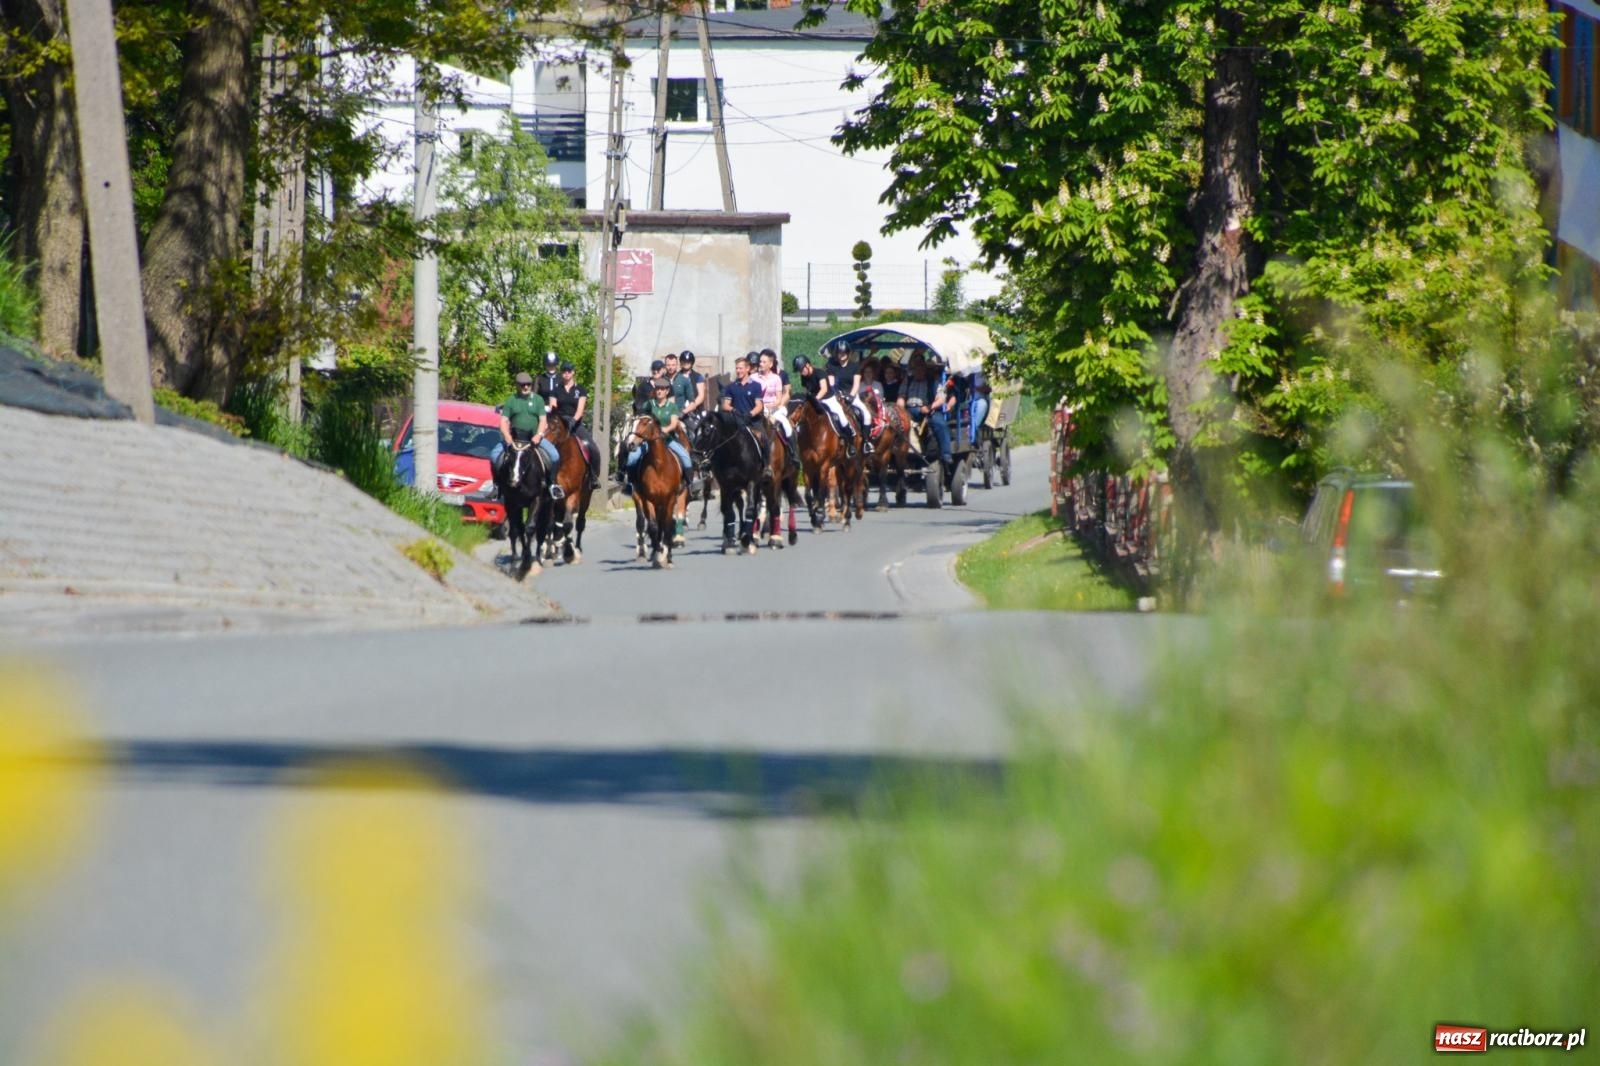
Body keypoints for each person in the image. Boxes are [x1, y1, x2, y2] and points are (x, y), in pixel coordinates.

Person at [623, 380, 693, 533]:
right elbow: (641, 417)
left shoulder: (671, 406)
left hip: (667, 440)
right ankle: (632, 485)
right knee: (632, 458)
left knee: (685, 457)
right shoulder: (650, 405)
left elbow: (674, 423)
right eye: (658, 389)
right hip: (649, 441)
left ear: (667, 391)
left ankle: (688, 484)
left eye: (663, 389)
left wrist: (664, 430)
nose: (660, 391)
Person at [499, 371, 563, 498]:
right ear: (517, 385)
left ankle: (552, 484)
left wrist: (538, 435)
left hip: (533, 438)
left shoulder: (538, 400)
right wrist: (507, 436)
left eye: (528, 384)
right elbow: (503, 421)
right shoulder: (511, 400)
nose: (525, 387)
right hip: (515, 438)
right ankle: (497, 486)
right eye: (522, 385)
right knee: (495, 456)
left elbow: (543, 420)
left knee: (555, 456)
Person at [548, 360, 599, 489]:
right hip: (559, 423)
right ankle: (545, 478)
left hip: (574, 423)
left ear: (573, 372)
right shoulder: (555, 390)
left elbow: (580, 410)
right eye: (564, 371)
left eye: (569, 371)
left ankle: (593, 476)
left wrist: (573, 421)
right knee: (546, 444)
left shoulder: (580, 389)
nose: (566, 373)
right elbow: (553, 407)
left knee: (592, 447)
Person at [821, 340, 873, 454]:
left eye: (844, 352)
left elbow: (856, 384)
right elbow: (831, 382)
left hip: (852, 395)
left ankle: (866, 442)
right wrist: (836, 393)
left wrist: (851, 396)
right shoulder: (831, 366)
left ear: (848, 353)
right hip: (837, 395)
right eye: (839, 352)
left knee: (867, 414)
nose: (841, 355)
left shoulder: (855, 366)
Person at [904, 355, 953, 469]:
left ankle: (946, 454)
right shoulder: (908, 380)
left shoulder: (933, 382)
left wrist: (930, 407)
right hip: (909, 410)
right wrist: (899, 407)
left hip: (927, 410)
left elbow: (941, 399)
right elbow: (901, 397)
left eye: (921, 368)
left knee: (940, 424)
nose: (918, 371)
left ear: (925, 370)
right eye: (916, 368)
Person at [754, 349, 797, 472]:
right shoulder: (753, 378)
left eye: (764, 362)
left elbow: (779, 399)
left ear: (770, 364)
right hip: (758, 408)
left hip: (774, 409)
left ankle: (793, 454)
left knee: (787, 426)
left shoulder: (777, 378)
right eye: (760, 361)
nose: (760, 364)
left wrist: (769, 407)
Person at [670, 351, 708, 416]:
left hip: (696, 410)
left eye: (688, 362)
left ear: (692, 363)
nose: (685, 363)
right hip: (679, 410)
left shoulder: (698, 377)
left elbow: (701, 396)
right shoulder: (676, 376)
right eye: (683, 361)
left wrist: (689, 408)